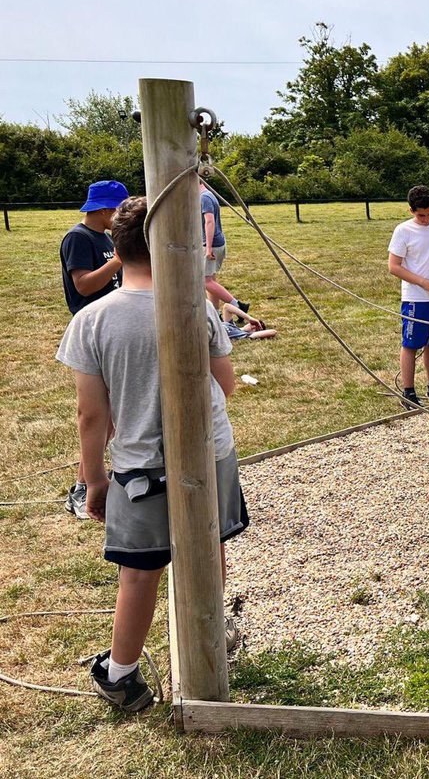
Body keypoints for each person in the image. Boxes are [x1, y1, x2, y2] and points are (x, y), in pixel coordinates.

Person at [55, 196, 249, 713]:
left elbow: (92, 416)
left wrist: (92, 479)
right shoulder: (199, 305)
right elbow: (223, 385)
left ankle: (120, 674)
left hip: (140, 469)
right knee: (209, 548)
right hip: (212, 454)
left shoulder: (93, 320)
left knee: (140, 571)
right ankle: (212, 639)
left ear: (114, 250)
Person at [59, 180, 128, 518]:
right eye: (117, 210)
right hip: (92, 330)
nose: (119, 217)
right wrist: (118, 260)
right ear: (103, 210)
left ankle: (88, 480)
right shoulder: (78, 238)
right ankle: (82, 488)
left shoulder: (103, 236)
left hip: (110, 327)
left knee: (109, 419)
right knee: (96, 415)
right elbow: (84, 285)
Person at [387, 185, 429, 408]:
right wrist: (423, 282)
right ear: (411, 211)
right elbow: (394, 266)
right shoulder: (403, 231)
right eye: (421, 215)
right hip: (415, 298)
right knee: (411, 344)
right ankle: (408, 391)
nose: (427, 219)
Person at [200, 180, 250, 319]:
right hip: (216, 242)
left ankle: (239, 305)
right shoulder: (209, 194)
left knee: (205, 281)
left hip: (212, 244)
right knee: (211, 280)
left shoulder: (204, 197)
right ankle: (215, 314)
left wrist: (208, 248)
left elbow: (210, 221)